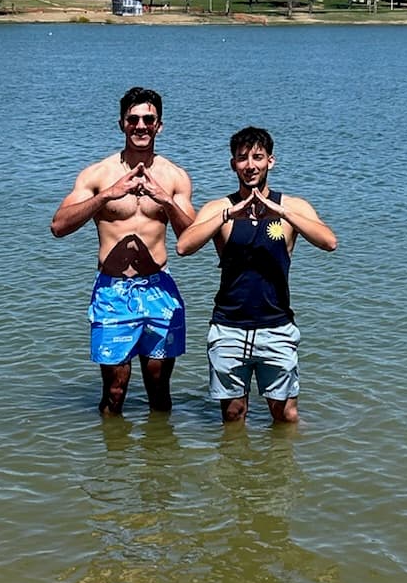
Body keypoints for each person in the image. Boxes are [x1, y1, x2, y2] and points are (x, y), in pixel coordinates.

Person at [177, 124, 336, 424]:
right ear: (233, 164)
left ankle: (280, 469)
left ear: (270, 161)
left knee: (286, 416)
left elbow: (329, 242)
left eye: (258, 157)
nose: (250, 165)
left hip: (276, 327)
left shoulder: (293, 206)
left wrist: (283, 213)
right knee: (234, 416)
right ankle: (235, 470)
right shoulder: (218, 208)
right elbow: (184, 247)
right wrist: (229, 215)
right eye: (242, 158)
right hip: (229, 328)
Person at [49, 86, 195, 415]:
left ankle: (157, 464)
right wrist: (106, 197)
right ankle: (113, 465)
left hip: (159, 289)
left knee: (159, 392)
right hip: (113, 292)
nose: (140, 125)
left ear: (159, 125)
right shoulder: (98, 175)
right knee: (114, 392)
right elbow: (58, 227)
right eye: (133, 119)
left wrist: (167, 202)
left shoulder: (175, 177)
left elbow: (191, 241)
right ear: (121, 124)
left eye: (148, 119)